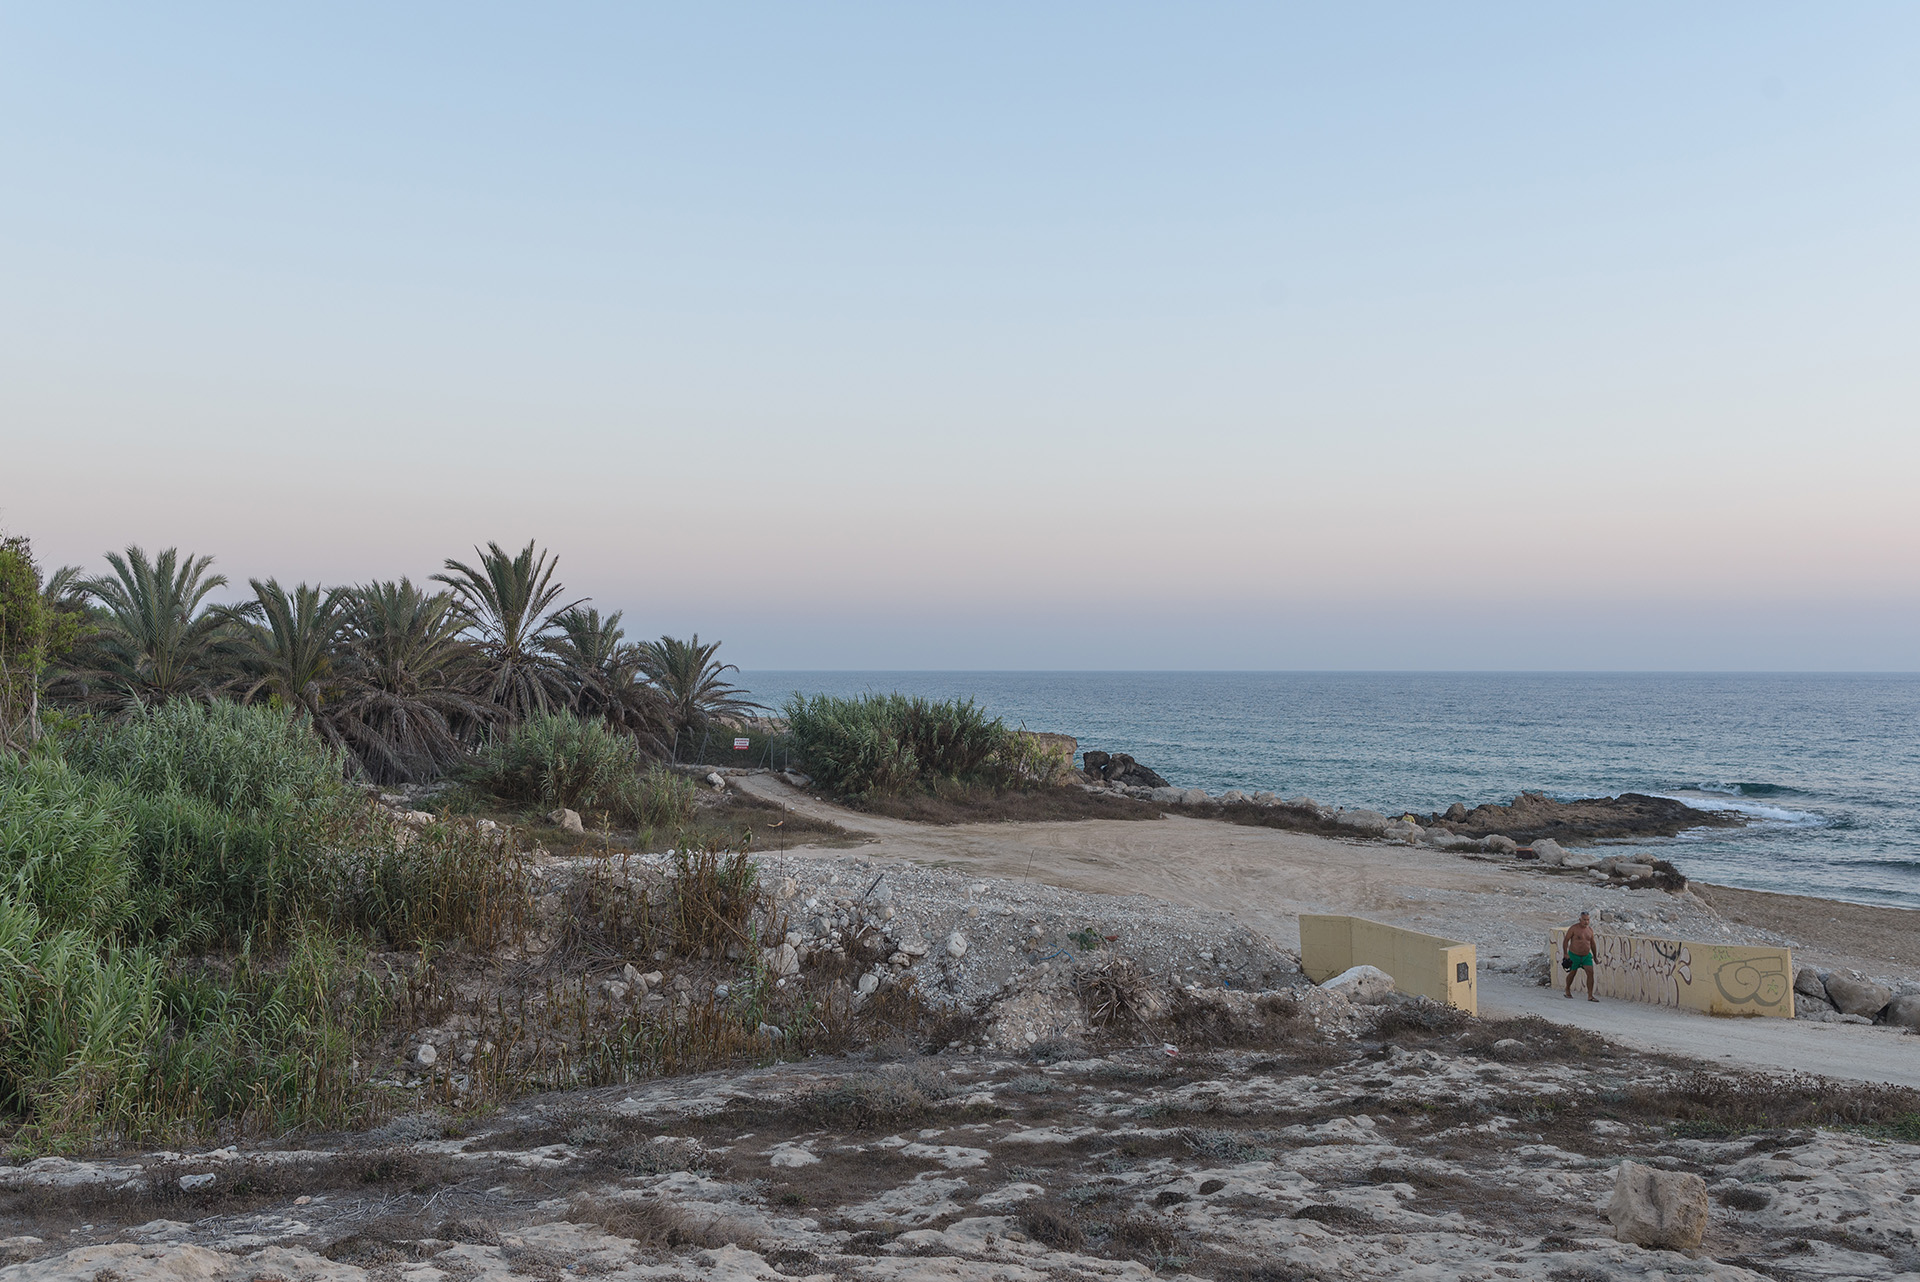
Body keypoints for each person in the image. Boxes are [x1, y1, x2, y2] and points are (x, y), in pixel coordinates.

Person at [1563, 911, 1599, 1002]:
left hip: (1586, 956)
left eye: (1588, 920)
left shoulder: (1590, 930)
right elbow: (1566, 940)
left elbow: (1592, 944)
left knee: (1590, 973)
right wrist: (1565, 954)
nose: (1586, 922)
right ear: (1580, 919)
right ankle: (1567, 989)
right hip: (1574, 955)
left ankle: (1590, 995)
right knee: (1572, 973)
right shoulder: (1574, 928)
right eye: (1584, 920)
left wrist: (1595, 956)